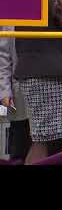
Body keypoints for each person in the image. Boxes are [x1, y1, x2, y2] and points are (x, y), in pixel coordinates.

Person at [14, 0, 62, 164]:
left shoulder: (27, 3)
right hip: (46, 75)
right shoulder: (52, 4)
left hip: (31, 73)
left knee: (41, 136)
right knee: (42, 138)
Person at [0, 26, 31, 163]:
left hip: (45, 94)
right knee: (19, 147)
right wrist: (5, 91)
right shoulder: (10, 22)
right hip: (19, 96)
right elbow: (4, 59)